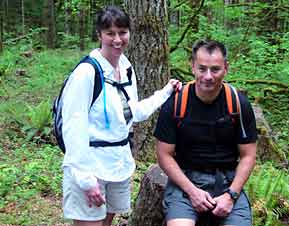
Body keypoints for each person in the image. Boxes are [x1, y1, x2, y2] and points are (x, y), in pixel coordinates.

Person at [61, 5, 181, 226]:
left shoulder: (126, 68)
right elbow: (73, 126)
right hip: (90, 167)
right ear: (99, 35)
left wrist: (165, 93)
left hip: (118, 164)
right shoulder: (86, 73)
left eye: (122, 32)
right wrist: (86, 180)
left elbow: (132, 113)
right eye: (110, 33)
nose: (117, 39)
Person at [154, 40, 257, 226]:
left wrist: (231, 195)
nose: (208, 76)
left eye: (215, 69)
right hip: (185, 182)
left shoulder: (238, 104)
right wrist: (192, 191)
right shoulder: (176, 104)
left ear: (226, 68)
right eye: (202, 69)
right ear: (192, 66)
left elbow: (248, 155)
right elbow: (164, 155)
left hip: (228, 181)